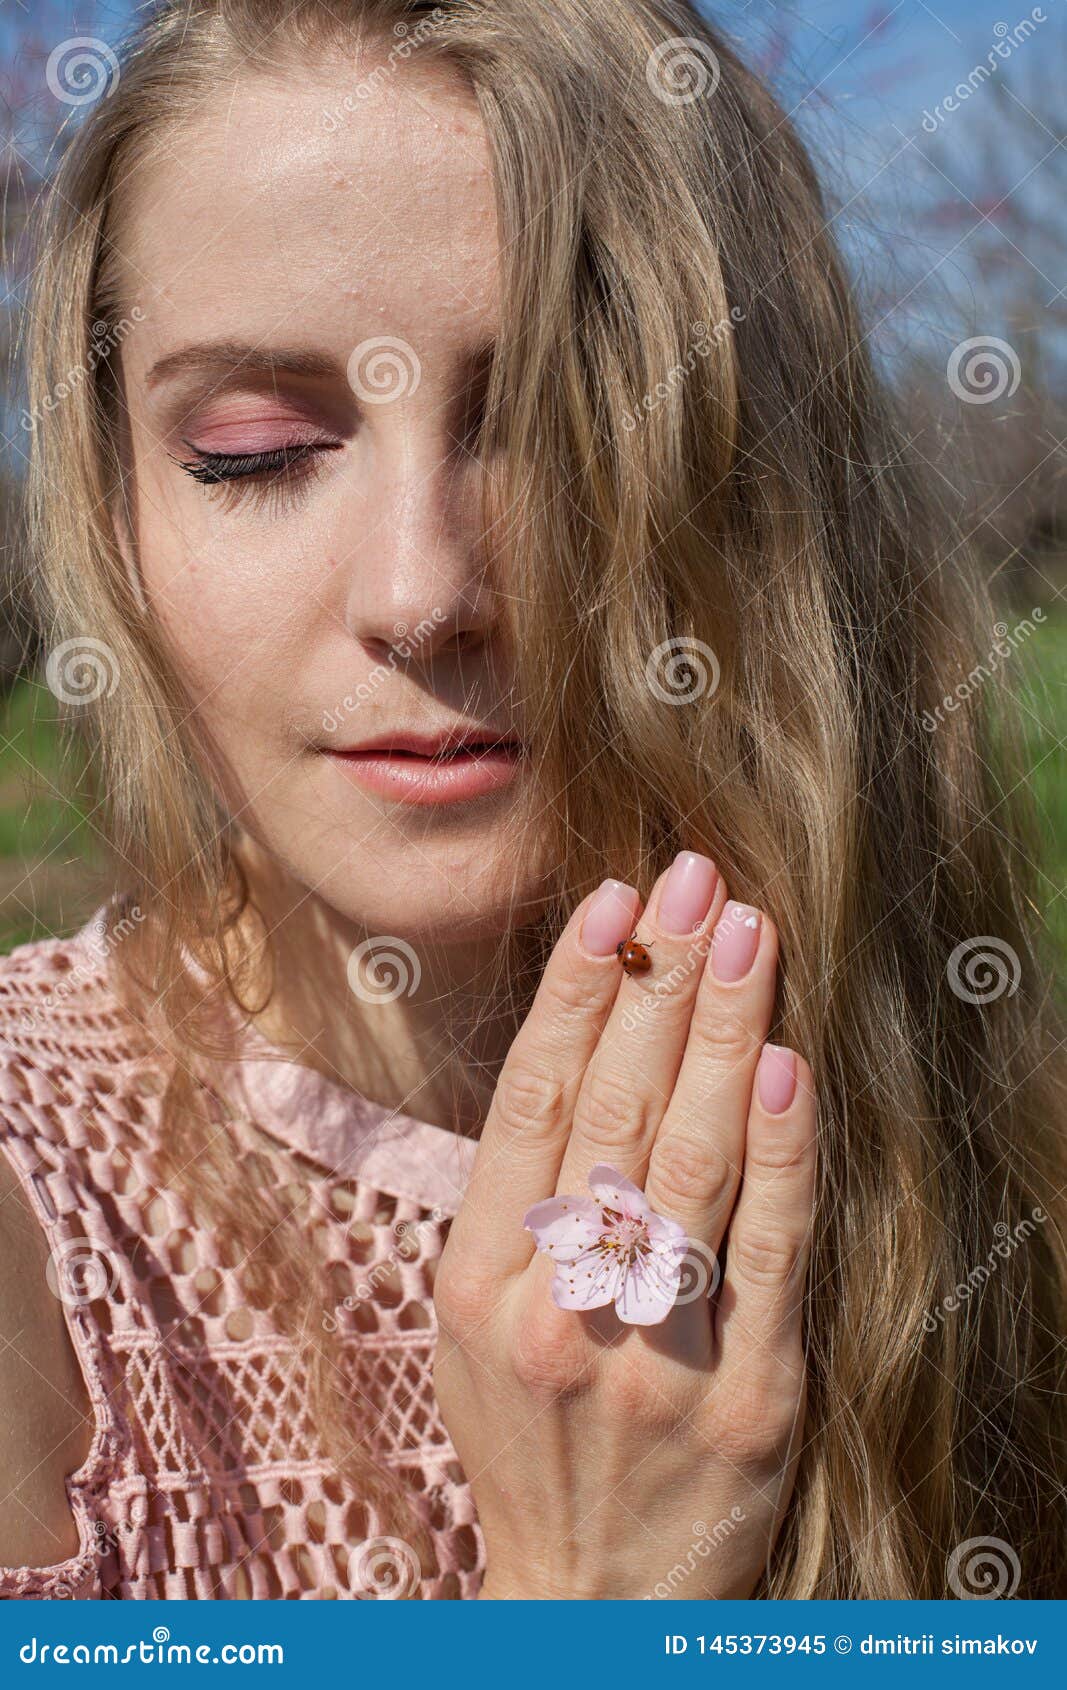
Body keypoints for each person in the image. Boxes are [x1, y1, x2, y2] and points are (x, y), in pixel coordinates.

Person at [0, 0, 1063, 1600]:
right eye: (259, 447)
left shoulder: (988, 1171)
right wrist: (589, 1604)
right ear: (117, 500)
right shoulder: (40, 1221)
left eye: (565, 431)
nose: (424, 590)